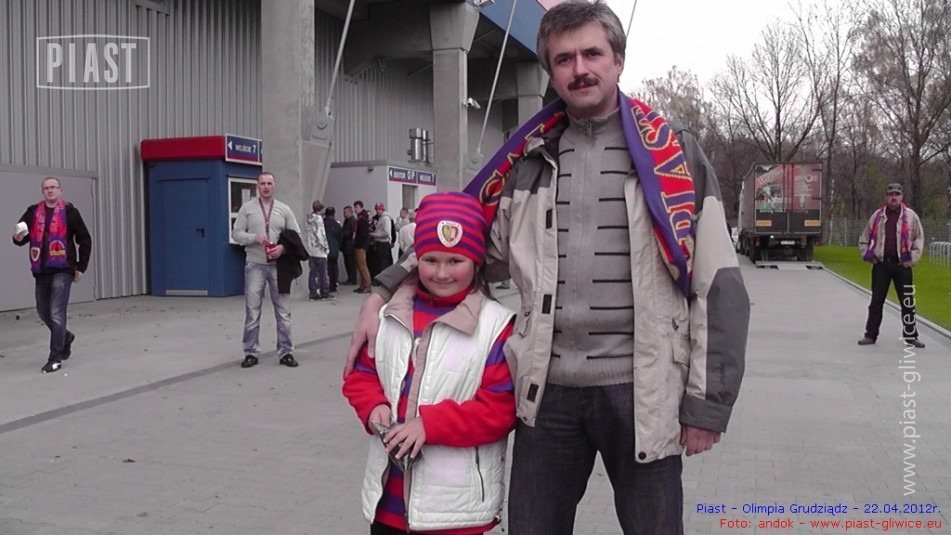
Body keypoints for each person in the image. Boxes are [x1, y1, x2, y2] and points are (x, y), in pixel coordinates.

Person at [345, 2, 750, 533]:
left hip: (644, 394)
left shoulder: (674, 155)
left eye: (592, 54)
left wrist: (707, 405)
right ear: (551, 73)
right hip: (545, 393)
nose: (580, 68)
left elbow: (719, 286)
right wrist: (382, 291)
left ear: (618, 60)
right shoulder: (526, 161)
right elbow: (457, 247)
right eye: (564, 59)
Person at [342, 191, 516, 535]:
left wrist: (430, 425)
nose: (441, 273)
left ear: (476, 261)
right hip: (387, 505)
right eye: (431, 259)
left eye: (455, 261)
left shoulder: (496, 326)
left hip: (454, 512)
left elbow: (500, 409)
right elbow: (361, 373)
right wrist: (373, 405)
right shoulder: (388, 315)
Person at [12, 177, 92, 374]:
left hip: (63, 269)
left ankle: (55, 358)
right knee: (43, 312)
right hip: (41, 270)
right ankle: (66, 337)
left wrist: (81, 266)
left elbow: (84, 239)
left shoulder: (70, 212)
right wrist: (18, 237)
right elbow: (22, 238)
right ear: (42, 191)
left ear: (60, 190)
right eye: (46, 188)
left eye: (53, 187)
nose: (50, 191)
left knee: (56, 313)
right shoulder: (33, 212)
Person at [231, 172, 302, 368]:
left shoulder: (284, 209)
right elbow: (236, 233)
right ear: (257, 186)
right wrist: (253, 238)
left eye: (269, 183)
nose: (266, 187)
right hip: (255, 264)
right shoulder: (247, 209)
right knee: (252, 311)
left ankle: (286, 352)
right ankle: (251, 352)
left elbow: (296, 235)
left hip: (279, 267)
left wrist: (283, 248)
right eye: (262, 183)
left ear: (274, 186)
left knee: (283, 312)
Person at [857, 183, 925, 348]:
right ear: (886, 197)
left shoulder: (911, 216)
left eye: (897, 194)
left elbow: (919, 239)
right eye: (890, 194)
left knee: (907, 302)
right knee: (876, 302)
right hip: (881, 265)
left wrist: (911, 260)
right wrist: (869, 257)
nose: (893, 197)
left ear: (901, 197)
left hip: (903, 265)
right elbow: (864, 239)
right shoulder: (877, 216)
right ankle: (870, 335)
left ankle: (911, 336)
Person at [305, 200, 332, 300]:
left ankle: (313, 292)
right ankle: (324, 292)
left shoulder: (309, 219)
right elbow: (320, 234)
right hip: (320, 251)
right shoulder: (319, 219)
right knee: (323, 273)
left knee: (313, 273)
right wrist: (326, 248)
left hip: (311, 250)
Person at [369, 203, 395, 278]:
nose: (377, 211)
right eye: (376, 209)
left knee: (383, 263)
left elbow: (386, 232)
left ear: (382, 210)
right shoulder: (381, 218)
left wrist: (375, 234)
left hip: (383, 243)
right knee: (380, 263)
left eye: (379, 209)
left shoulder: (385, 219)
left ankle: (384, 279)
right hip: (380, 243)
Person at [352, 201, 373, 294]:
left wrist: (359, 244)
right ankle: (363, 285)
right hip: (359, 245)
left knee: (362, 266)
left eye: (356, 207)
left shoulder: (363, 219)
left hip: (361, 245)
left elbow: (363, 234)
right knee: (360, 266)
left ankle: (367, 285)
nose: (355, 209)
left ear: (361, 207)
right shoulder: (360, 217)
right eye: (354, 207)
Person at [324, 206, 343, 294]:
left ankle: (327, 285)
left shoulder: (323, 224)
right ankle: (333, 285)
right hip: (335, 248)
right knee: (334, 267)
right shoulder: (337, 225)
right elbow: (340, 237)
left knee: (326, 267)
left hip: (326, 248)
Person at [342, 205, 358, 285]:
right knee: (347, 263)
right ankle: (350, 278)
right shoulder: (347, 221)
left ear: (349, 212)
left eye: (345, 213)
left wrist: (343, 234)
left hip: (350, 246)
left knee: (351, 263)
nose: (344, 214)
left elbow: (352, 232)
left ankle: (353, 279)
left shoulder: (352, 221)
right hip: (346, 245)